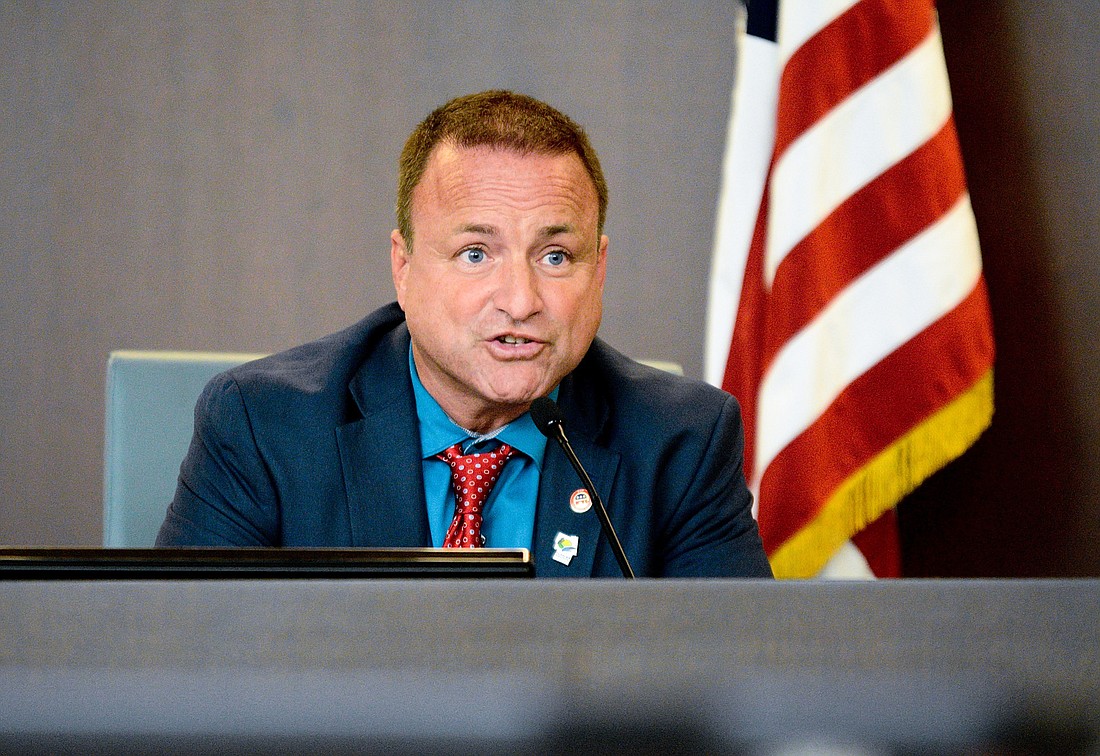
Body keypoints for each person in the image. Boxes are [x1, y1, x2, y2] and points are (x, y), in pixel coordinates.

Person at [157, 90, 772, 578]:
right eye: (476, 253)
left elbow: (740, 689)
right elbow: (190, 677)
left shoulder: (681, 442)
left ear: (600, 269)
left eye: (555, 256)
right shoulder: (263, 427)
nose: (521, 301)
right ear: (404, 267)